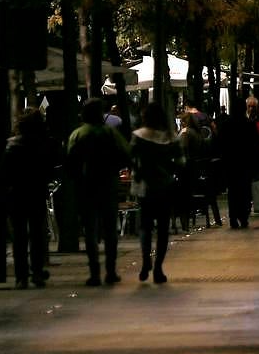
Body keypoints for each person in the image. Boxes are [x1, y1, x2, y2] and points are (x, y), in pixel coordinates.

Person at [65, 98, 131, 286]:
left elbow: (70, 162)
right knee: (110, 230)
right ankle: (110, 271)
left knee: (90, 230)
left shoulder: (78, 134)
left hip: (86, 187)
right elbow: (126, 154)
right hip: (108, 185)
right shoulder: (110, 134)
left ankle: (94, 272)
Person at [3, 108, 58, 289]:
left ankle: (21, 276)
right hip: (36, 193)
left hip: (16, 194)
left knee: (19, 237)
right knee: (37, 235)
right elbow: (49, 170)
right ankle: (36, 273)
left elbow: (6, 172)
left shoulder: (11, 145)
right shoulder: (43, 145)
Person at [128, 103, 182, 284]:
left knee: (145, 227)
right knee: (163, 230)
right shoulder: (171, 137)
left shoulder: (137, 137)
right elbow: (181, 161)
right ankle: (159, 267)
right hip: (165, 187)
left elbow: (130, 159)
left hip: (144, 188)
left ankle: (146, 261)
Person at [216, 99, 259, 228]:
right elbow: (255, 145)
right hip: (246, 163)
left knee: (233, 192)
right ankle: (244, 216)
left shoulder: (226, 125)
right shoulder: (249, 125)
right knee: (245, 191)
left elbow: (220, 144)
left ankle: (233, 217)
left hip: (231, 164)